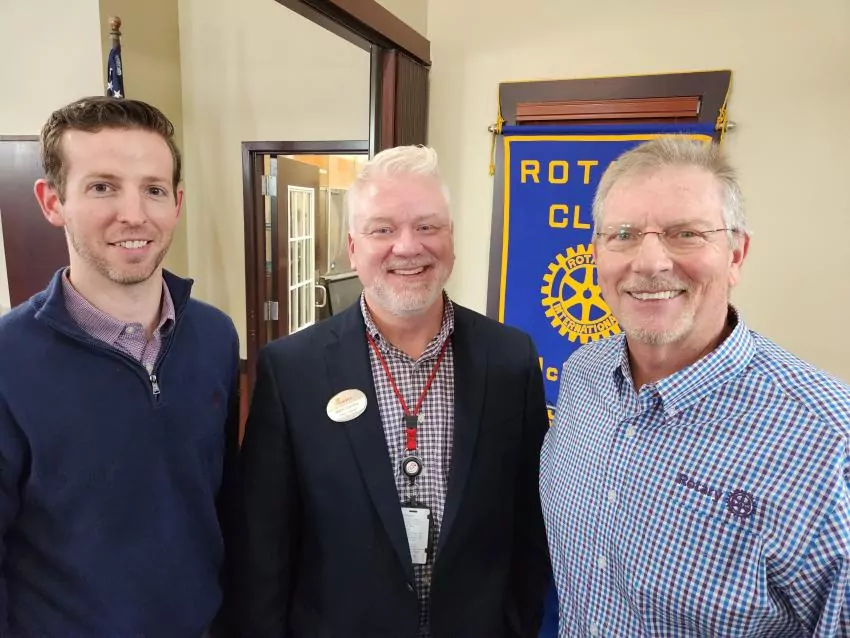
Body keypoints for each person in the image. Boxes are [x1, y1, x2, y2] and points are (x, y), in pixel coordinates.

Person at [235, 145, 551, 637]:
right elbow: (264, 546)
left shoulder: (510, 359)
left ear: (451, 239)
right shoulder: (291, 370)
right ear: (353, 247)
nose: (407, 247)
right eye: (382, 229)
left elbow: (531, 523)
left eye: (427, 226)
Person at [540, 137, 850, 636]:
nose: (649, 262)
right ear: (597, 253)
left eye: (685, 233)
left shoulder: (827, 440)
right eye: (623, 234)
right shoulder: (582, 375)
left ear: (736, 255)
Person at [0, 96, 240, 636]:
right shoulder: (8, 361)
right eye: (102, 187)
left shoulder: (215, 338)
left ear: (177, 203)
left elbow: (223, 503)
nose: (134, 214)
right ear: (52, 201)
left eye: (153, 189)